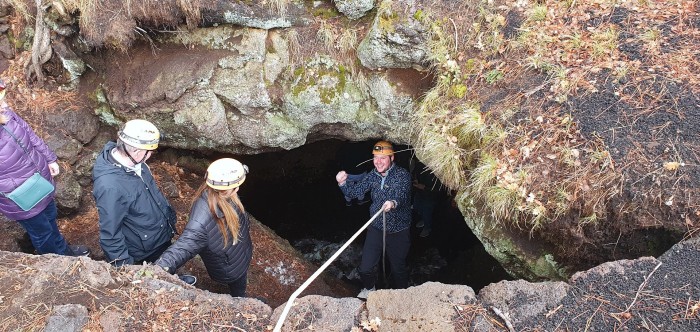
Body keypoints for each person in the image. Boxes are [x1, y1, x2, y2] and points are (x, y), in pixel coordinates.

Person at [0, 79, 89, 256]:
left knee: (50, 217)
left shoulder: (5, 113)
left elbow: (29, 134)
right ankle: (57, 261)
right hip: (19, 196)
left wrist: (49, 158)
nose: (5, 102)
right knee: (42, 233)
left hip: (39, 179)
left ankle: (64, 249)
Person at [92, 119, 188, 275]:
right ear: (136, 151)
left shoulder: (136, 163)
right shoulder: (110, 187)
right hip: (146, 248)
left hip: (159, 234)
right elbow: (110, 235)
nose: (150, 155)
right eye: (149, 151)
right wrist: (127, 270)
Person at [156, 158, 253, 297]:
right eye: (237, 186)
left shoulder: (227, 196)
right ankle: (240, 300)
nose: (238, 188)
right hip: (230, 267)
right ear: (228, 188)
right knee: (238, 289)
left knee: (241, 282)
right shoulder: (201, 222)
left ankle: (241, 296)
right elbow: (180, 249)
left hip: (240, 254)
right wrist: (153, 273)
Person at [335, 140, 412, 299]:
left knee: (398, 269)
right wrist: (342, 183)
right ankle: (370, 289)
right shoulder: (373, 175)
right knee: (365, 269)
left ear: (392, 158)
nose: (378, 162)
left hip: (399, 230)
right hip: (376, 227)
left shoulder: (402, 175)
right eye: (376, 157)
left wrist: (392, 203)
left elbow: (402, 195)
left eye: (383, 158)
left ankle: (404, 296)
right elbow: (355, 192)